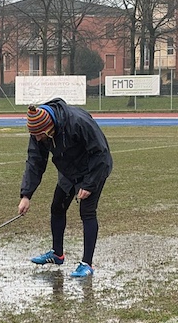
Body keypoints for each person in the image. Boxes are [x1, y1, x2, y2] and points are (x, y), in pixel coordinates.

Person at [18, 99, 113, 277]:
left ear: (49, 129)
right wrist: (26, 195)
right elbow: (35, 162)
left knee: (87, 212)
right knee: (57, 207)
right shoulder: (38, 129)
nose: (37, 139)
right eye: (34, 136)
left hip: (93, 168)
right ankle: (57, 254)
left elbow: (101, 152)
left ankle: (87, 264)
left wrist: (89, 184)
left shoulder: (78, 122)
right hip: (68, 171)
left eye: (39, 136)